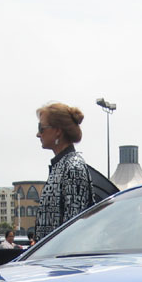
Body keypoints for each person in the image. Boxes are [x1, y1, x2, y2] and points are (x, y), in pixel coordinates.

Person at [34, 102, 93, 240]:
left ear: (58, 131)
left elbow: (72, 228)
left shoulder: (73, 168)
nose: (38, 134)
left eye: (41, 128)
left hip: (60, 259)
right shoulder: (63, 165)